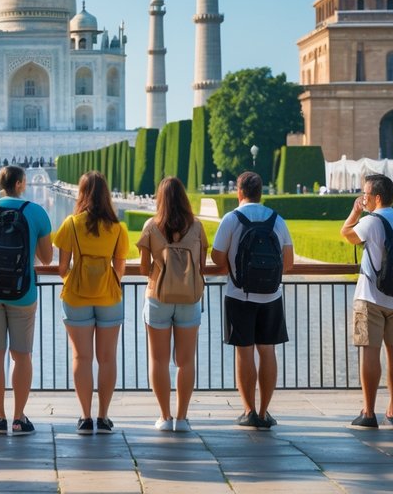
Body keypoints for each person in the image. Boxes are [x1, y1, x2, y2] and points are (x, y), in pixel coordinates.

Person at [210, 170, 294, 429]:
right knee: (267, 351)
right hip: (271, 295)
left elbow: (216, 257)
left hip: (239, 294)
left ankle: (248, 411)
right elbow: (288, 263)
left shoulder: (232, 219)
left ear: (239, 192)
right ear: (261, 192)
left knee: (243, 353)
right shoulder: (276, 219)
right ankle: (265, 411)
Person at [0, 165, 53, 436]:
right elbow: (46, 259)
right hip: (23, 292)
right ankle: (19, 418)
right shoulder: (36, 212)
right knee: (21, 356)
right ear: (21, 183)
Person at [340, 172, 393, 429]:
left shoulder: (371, 222)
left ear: (375, 197)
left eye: (365, 194)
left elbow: (347, 234)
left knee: (369, 351)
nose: (363, 198)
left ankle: (368, 412)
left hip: (370, 296)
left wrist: (355, 213)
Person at [53, 170, 129, 434]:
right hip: (109, 298)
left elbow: (62, 268)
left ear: (81, 193)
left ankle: (85, 417)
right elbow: (120, 267)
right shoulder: (117, 228)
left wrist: (76, 277)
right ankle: (103, 417)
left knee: (81, 357)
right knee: (107, 359)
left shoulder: (71, 224)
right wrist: (107, 280)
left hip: (76, 297)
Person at [137, 176, 207, 432]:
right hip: (189, 298)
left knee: (158, 360)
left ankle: (164, 417)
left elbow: (145, 268)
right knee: (186, 361)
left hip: (158, 296)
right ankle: (182, 418)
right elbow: (201, 266)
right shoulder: (197, 226)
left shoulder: (151, 226)